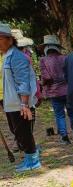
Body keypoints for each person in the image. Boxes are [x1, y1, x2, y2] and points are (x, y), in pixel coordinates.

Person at [0, 23, 40, 172]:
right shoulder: (7, 56)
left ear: (9, 40)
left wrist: (24, 104)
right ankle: (30, 157)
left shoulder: (16, 57)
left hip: (19, 104)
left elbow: (23, 82)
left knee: (23, 132)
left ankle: (33, 160)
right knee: (17, 131)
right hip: (11, 103)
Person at [39, 35, 73, 144]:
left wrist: (41, 83)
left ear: (46, 47)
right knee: (72, 113)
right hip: (68, 90)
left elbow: (46, 77)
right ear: (57, 47)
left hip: (54, 92)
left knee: (59, 115)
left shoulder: (43, 60)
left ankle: (65, 137)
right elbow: (72, 74)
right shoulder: (66, 58)